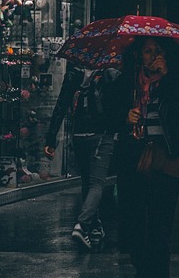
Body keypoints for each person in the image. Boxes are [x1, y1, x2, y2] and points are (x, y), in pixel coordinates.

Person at [108, 37, 179, 278]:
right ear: (137, 55)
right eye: (148, 51)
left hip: (166, 159)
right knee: (133, 224)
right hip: (133, 158)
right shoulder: (125, 83)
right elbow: (107, 115)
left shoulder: (172, 81)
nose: (153, 56)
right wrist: (125, 117)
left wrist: (168, 77)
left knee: (160, 226)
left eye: (157, 51)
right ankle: (143, 269)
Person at [44, 64, 118, 249]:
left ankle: (94, 226)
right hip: (100, 135)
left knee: (87, 181)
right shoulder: (109, 74)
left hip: (78, 136)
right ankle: (83, 224)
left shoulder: (73, 76)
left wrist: (51, 139)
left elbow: (60, 106)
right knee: (97, 183)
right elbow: (119, 105)